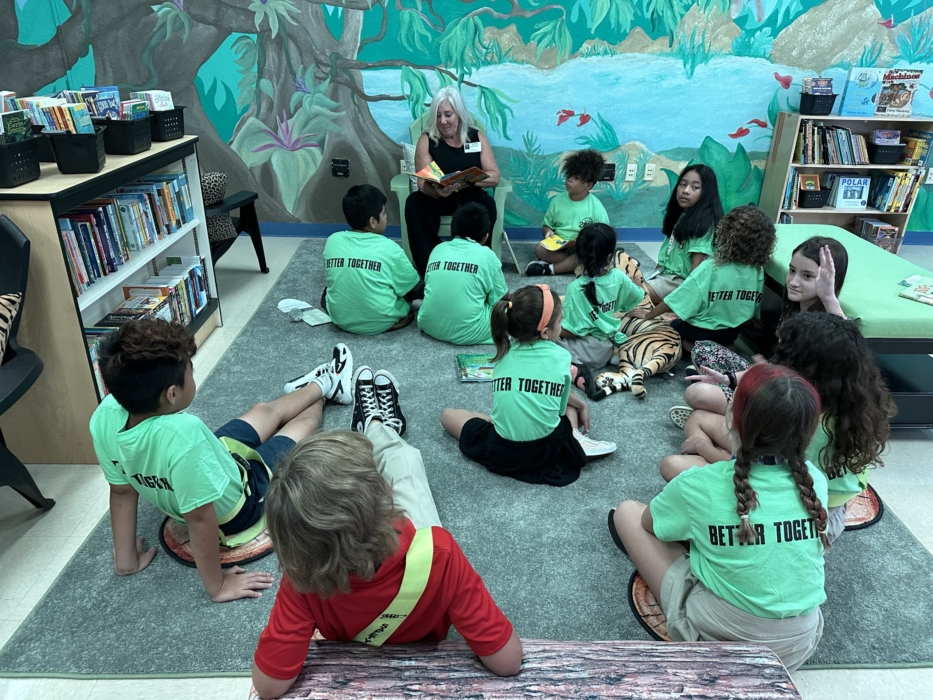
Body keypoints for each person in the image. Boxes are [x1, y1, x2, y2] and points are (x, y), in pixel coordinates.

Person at [251, 366, 523, 699]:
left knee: (399, 466)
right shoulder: (440, 553)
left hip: (337, 560)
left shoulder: (303, 581)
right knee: (404, 463)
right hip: (409, 550)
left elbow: (268, 686)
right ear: (383, 493)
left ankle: (373, 423)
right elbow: (508, 661)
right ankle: (378, 425)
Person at [89, 319, 354, 602]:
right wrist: (218, 587)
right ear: (172, 394)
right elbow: (200, 519)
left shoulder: (104, 415)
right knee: (301, 427)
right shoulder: (184, 434)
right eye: (190, 370)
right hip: (239, 506)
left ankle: (322, 383)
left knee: (262, 410)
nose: (193, 374)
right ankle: (324, 395)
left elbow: (121, 492)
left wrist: (126, 561)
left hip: (214, 459)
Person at [610, 363, 828, 672]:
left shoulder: (697, 484)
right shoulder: (815, 480)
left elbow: (649, 524)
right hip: (799, 645)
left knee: (627, 513)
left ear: (730, 418)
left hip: (721, 642)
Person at [661, 314, 895, 543]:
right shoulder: (860, 404)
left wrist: (705, 448)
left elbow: (765, 476)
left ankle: (713, 469)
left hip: (789, 509)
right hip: (827, 506)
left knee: (675, 465)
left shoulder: (797, 414)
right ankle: (717, 459)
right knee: (699, 419)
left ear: (799, 365)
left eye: (782, 353)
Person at [440, 284, 616, 487]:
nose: (562, 325)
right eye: (560, 321)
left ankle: (499, 423)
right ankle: (576, 438)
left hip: (502, 451)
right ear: (545, 332)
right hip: (545, 452)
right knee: (568, 409)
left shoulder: (502, 353)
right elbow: (559, 409)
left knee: (447, 415)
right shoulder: (562, 356)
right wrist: (581, 404)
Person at [671, 236, 848, 425]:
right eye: (792, 271)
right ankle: (728, 413)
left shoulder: (829, 328)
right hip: (771, 381)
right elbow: (777, 367)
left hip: (786, 403)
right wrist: (728, 378)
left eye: (807, 276)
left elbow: (849, 346)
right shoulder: (793, 312)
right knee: (703, 348)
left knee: (697, 394)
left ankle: (732, 421)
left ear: (830, 281)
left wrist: (829, 298)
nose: (794, 282)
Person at [629, 205, 775, 351]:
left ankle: (692, 347)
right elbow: (753, 307)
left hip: (699, 331)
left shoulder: (710, 267)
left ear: (724, 233)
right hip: (731, 333)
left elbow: (676, 299)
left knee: (672, 325)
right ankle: (722, 347)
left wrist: (648, 315)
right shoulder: (757, 270)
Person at [404, 87, 501, 277]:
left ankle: (478, 268)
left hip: (469, 193)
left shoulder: (476, 137)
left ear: (459, 113)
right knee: (414, 203)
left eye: (448, 115)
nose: (443, 121)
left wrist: (469, 179)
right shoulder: (427, 140)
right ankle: (431, 271)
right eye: (438, 115)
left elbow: (494, 176)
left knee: (487, 204)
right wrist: (436, 191)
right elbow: (423, 182)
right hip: (438, 196)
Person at [323, 184, 421, 335]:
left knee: (329, 290)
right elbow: (412, 286)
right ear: (372, 222)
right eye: (384, 213)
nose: (386, 217)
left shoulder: (332, 241)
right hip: (383, 321)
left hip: (341, 320)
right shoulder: (390, 247)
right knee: (408, 288)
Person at [417, 202, 508, 345]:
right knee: (507, 309)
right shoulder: (487, 255)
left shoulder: (438, 249)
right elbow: (500, 298)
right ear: (485, 237)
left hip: (428, 324)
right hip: (469, 332)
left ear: (450, 229)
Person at [558, 222, 645, 370]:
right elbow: (636, 296)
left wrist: (548, 328)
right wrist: (638, 285)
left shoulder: (575, 288)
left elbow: (573, 331)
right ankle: (614, 356)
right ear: (610, 256)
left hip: (586, 351)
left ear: (578, 255)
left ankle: (574, 369)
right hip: (605, 348)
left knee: (545, 336)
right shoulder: (618, 276)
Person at [643, 164, 723, 303]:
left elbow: (695, 275)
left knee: (630, 293)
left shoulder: (703, 225)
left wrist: (679, 304)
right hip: (665, 275)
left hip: (680, 283)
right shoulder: (682, 215)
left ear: (707, 193)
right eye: (683, 184)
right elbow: (666, 257)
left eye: (695, 187)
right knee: (623, 279)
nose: (685, 191)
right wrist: (652, 276)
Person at [525, 149, 610, 276]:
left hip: (580, 248)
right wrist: (547, 232)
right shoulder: (557, 201)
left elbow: (604, 235)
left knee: (589, 254)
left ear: (588, 185)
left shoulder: (596, 206)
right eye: (569, 175)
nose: (569, 180)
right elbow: (546, 226)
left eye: (576, 178)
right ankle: (577, 266)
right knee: (539, 249)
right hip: (559, 246)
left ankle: (548, 269)